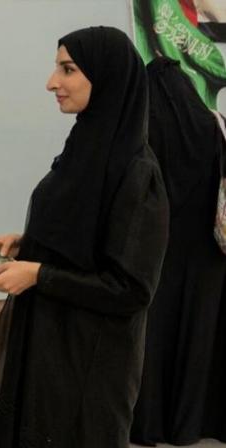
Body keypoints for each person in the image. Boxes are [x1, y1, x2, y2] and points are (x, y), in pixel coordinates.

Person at [0, 26, 169, 448]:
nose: (51, 82)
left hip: (88, 363)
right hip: (46, 343)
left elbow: (130, 289)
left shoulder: (137, 173)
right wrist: (28, 244)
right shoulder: (83, 148)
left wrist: (39, 274)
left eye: (68, 69)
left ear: (105, 77)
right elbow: (85, 235)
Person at [130, 56, 226, 446]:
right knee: (200, 336)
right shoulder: (214, 128)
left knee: (152, 334)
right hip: (209, 256)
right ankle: (192, 423)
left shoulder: (144, 131)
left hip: (158, 253)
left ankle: (148, 422)